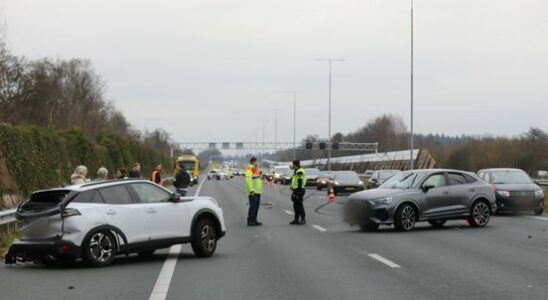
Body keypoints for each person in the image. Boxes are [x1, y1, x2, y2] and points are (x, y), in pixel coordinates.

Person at [244, 157, 263, 226]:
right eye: (256, 161)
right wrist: (251, 190)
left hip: (258, 191)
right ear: (253, 162)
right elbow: (248, 180)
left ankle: (254, 220)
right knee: (253, 206)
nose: (257, 163)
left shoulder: (256, 169)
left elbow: (259, 178)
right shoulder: (249, 169)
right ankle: (250, 220)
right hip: (253, 191)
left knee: (256, 207)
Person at [290, 160, 307, 225]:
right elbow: (295, 180)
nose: (292, 166)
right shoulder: (296, 171)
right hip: (296, 190)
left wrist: (298, 191)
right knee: (295, 205)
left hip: (299, 190)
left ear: (295, 165)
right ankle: (296, 219)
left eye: (293, 165)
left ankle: (303, 219)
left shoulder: (300, 171)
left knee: (299, 205)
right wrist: (292, 186)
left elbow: (300, 181)